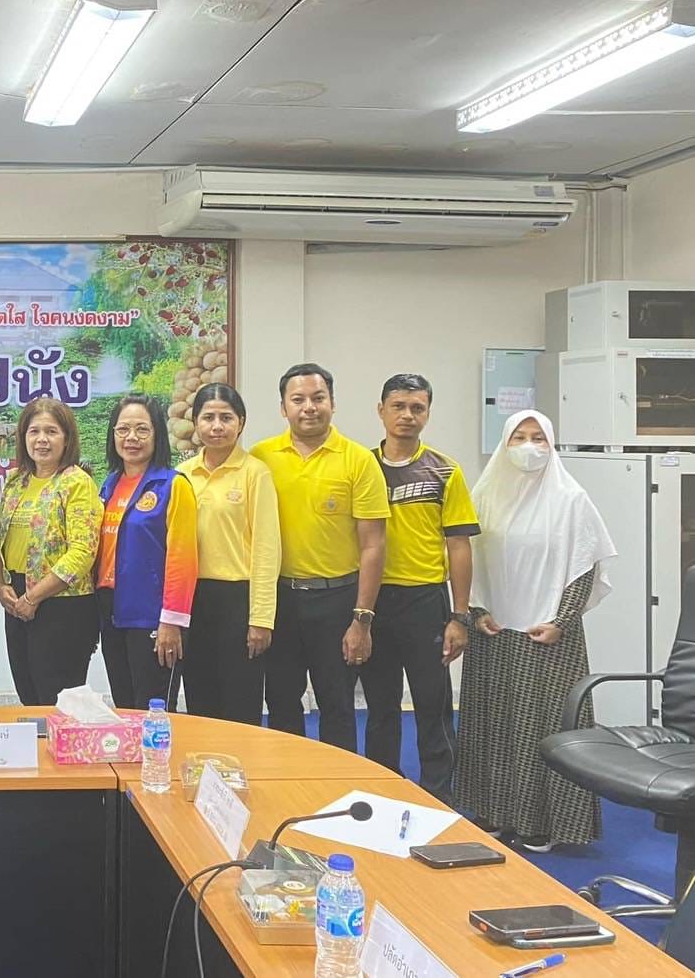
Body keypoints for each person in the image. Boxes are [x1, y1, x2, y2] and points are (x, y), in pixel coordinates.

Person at [455, 409, 616, 851]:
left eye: (538, 438)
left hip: (546, 638)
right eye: (519, 437)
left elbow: (584, 567)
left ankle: (541, 822)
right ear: (504, 444)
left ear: (552, 444)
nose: (529, 447)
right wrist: (475, 610)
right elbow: (467, 559)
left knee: (540, 728)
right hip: (493, 632)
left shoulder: (571, 499)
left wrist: (561, 622)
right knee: (490, 723)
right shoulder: (484, 495)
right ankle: (490, 810)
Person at [251, 363, 388, 753]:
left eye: (318, 398)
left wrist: (362, 619)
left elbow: (374, 544)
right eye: (298, 399)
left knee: (338, 705)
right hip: (279, 600)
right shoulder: (262, 457)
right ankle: (288, 781)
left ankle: (336, 783)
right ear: (283, 408)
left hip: (337, 600)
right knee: (281, 702)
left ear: (332, 402)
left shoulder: (358, 460)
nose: (309, 407)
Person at [362, 374, 479, 803]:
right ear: (381, 410)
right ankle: (382, 791)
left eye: (417, 408)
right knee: (380, 706)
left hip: (426, 601)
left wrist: (459, 616)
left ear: (428, 413)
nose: (407, 415)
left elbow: (459, 545)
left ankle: (438, 796)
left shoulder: (445, 470)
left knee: (433, 704)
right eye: (398, 406)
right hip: (372, 602)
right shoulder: (362, 467)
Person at [0, 397, 102, 705]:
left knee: (57, 701)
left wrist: (33, 597)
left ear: (66, 438)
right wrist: (0, 585)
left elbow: (82, 552)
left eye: (51, 431)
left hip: (63, 603)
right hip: (16, 597)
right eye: (34, 431)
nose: (42, 440)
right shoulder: (16, 481)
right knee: (28, 694)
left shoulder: (77, 483)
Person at [178, 383, 280, 725]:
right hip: (193, 599)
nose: (216, 426)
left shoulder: (255, 473)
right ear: (195, 423)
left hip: (239, 600)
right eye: (208, 418)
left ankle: (241, 761)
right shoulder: (182, 475)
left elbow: (267, 549)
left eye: (226, 418)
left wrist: (261, 619)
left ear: (241, 422)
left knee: (240, 701)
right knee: (200, 699)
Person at [96, 396, 198, 710]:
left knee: (153, 712)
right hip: (113, 613)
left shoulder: (173, 485)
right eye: (123, 429)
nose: (132, 438)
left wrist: (171, 622)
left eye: (142, 429)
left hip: (153, 616)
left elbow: (183, 560)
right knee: (125, 707)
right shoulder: (110, 484)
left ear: (157, 434)